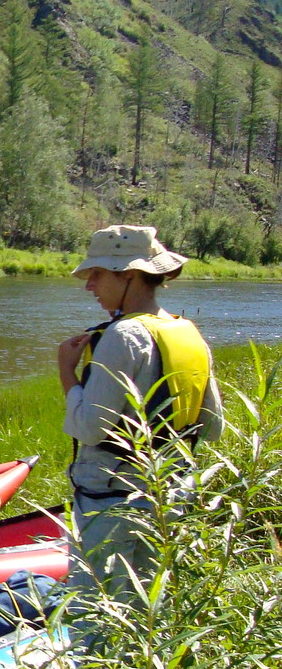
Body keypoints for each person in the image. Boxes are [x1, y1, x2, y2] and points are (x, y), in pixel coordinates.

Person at [57, 225, 223, 608]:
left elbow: (88, 427)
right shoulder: (188, 333)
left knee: (97, 619)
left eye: (97, 274)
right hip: (170, 501)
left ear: (128, 275)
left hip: (110, 504)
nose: (89, 285)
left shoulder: (122, 336)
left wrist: (67, 371)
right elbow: (213, 427)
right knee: (151, 615)